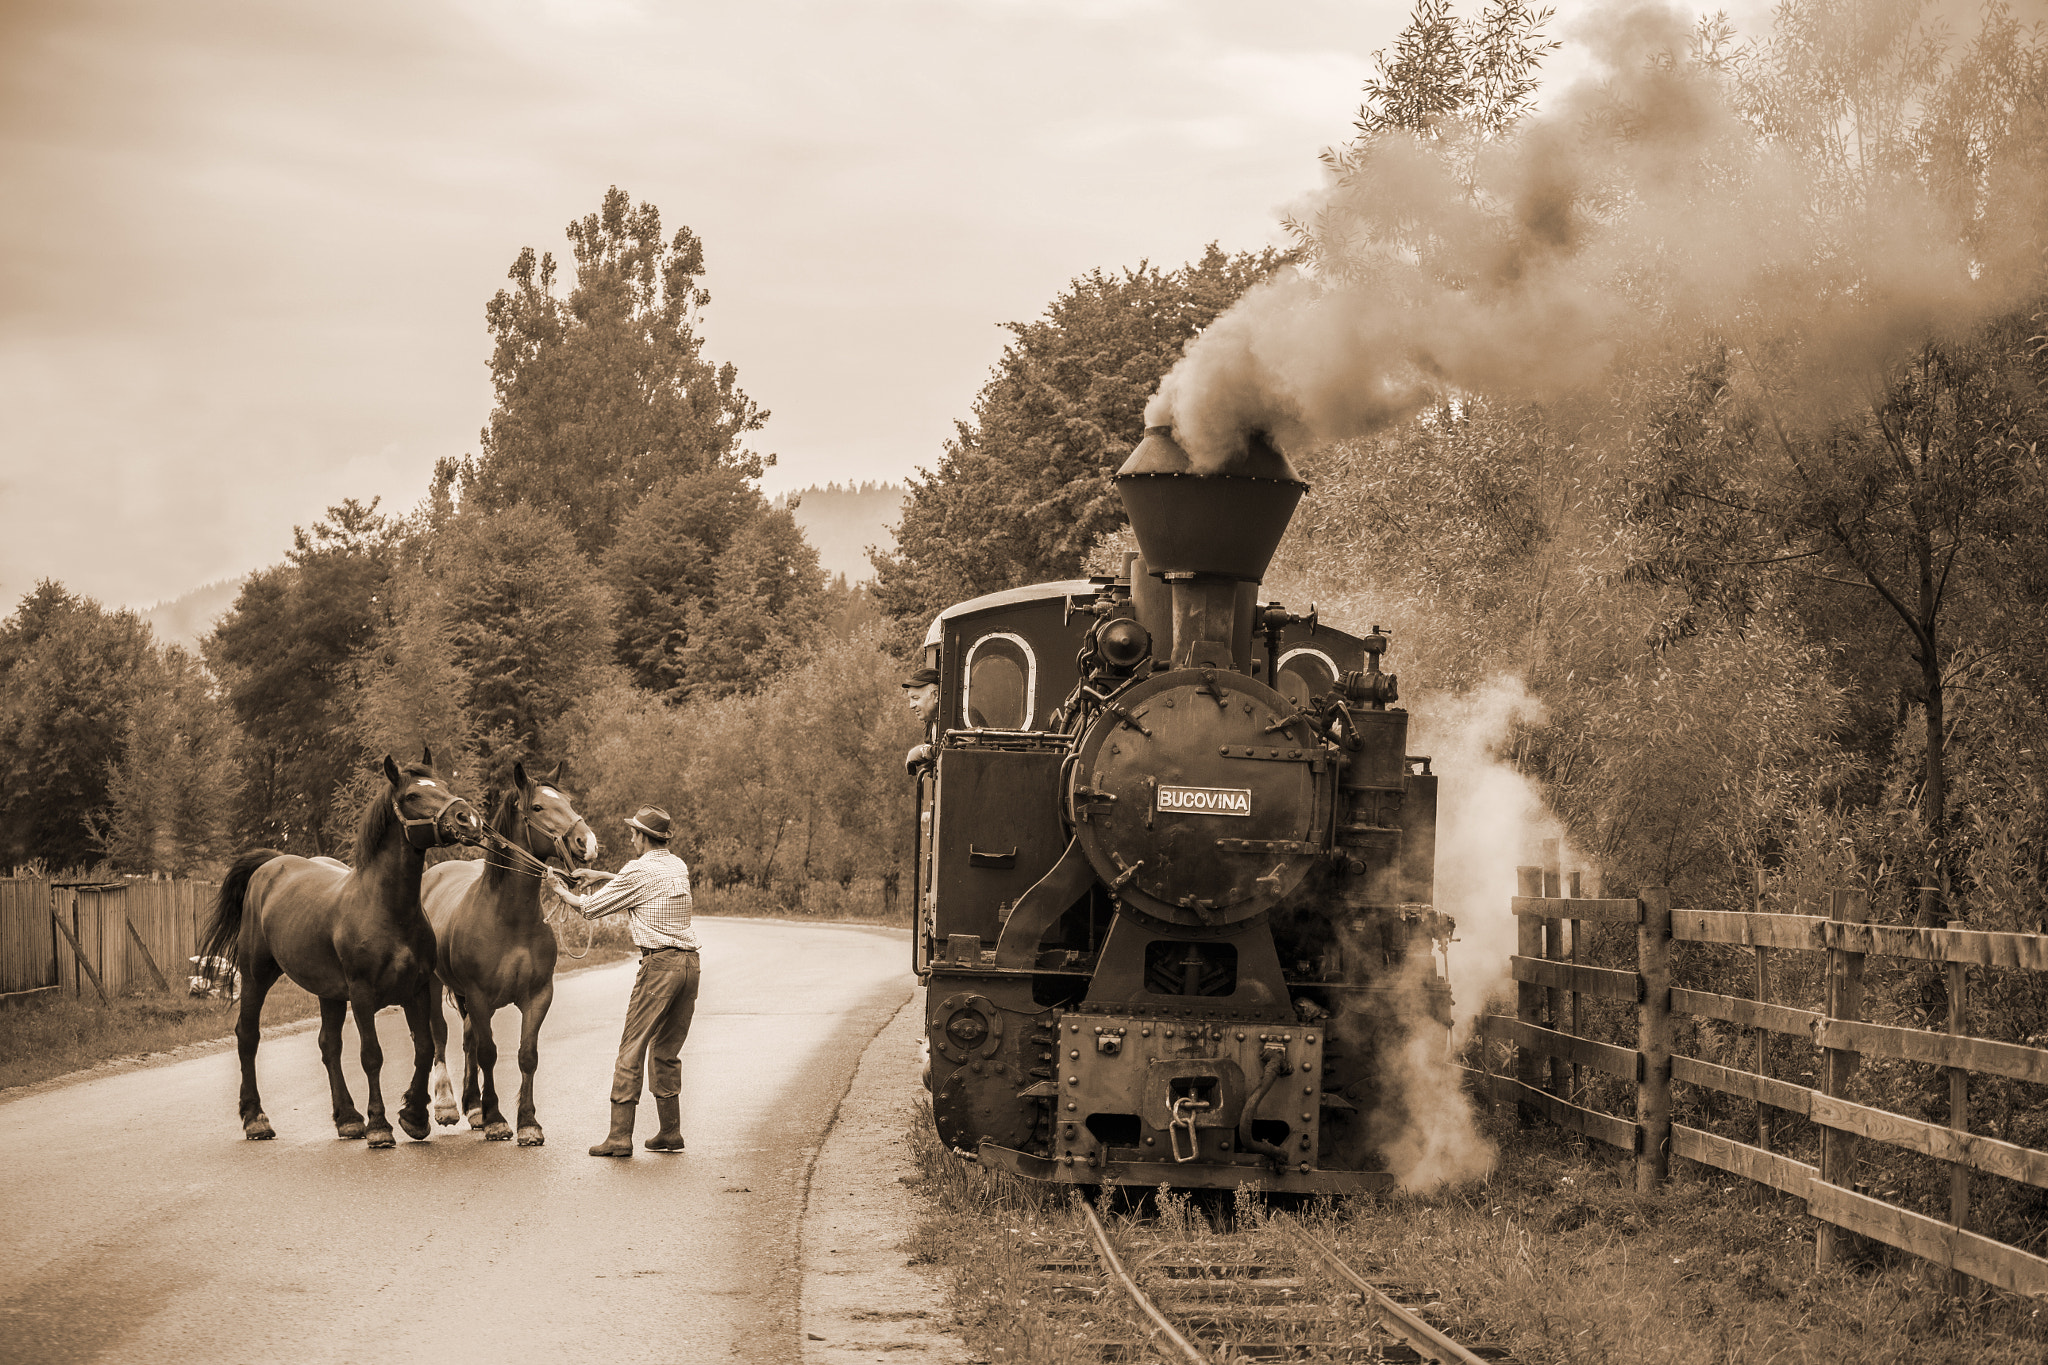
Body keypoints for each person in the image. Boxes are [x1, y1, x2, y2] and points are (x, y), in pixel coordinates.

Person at [544, 805, 699, 1157]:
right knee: (665, 1050)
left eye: (634, 833)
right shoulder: (676, 865)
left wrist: (559, 889)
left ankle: (618, 1137)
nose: (631, 838)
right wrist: (600, 874)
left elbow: (589, 909)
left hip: (659, 967)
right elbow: (643, 885)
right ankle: (670, 1132)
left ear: (644, 837)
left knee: (631, 1048)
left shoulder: (638, 869)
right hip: (691, 966)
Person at [902, 665, 940, 775]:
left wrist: (924, 751)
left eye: (915, 698)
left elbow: (960, 751)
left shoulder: (962, 718)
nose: (911, 706)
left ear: (936, 695)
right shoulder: (930, 723)